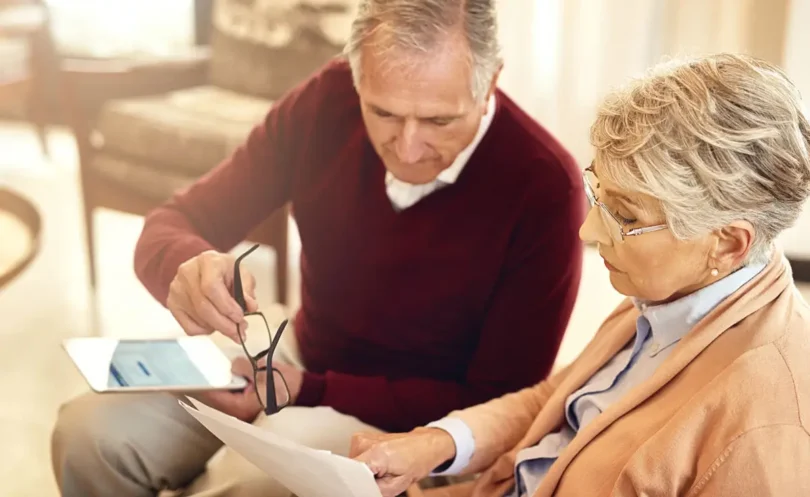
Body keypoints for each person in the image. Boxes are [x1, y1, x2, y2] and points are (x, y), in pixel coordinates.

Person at [50, 1, 585, 496]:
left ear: (490, 80)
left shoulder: (545, 188)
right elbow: (176, 221)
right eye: (384, 113)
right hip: (295, 358)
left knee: (254, 487)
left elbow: (499, 404)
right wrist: (187, 267)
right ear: (356, 78)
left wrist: (312, 389)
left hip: (412, 423)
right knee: (88, 435)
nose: (408, 146)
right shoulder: (327, 101)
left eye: (439, 121)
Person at [350, 53, 810, 497]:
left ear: (729, 243)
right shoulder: (681, 295)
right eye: (599, 195)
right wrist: (434, 444)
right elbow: (558, 400)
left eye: (625, 215)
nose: (588, 230)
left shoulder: (766, 424)